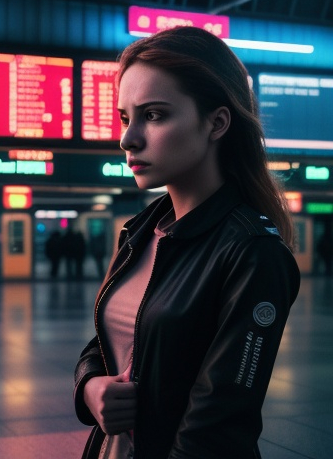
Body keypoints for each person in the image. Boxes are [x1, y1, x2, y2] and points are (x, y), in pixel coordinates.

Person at [74, 26, 301, 459]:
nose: (128, 138)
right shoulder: (141, 230)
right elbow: (112, 340)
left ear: (216, 122)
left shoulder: (252, 253)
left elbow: (216, 425)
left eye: (154, 115)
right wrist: (89, 385)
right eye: (125, 117)